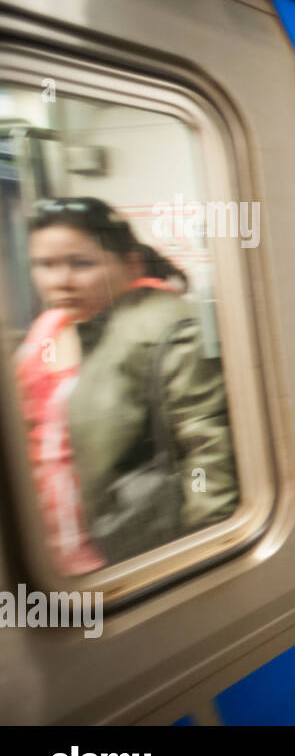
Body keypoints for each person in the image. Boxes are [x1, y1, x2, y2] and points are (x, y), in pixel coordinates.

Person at [14, 197, 238, 573]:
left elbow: (205, 446)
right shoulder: (48, 329)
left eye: (81, 264)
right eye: (45, 265)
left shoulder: (168, 330)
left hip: (118, 553)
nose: (60, 280)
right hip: (45, 555)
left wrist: (207, 547)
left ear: (130, 264)